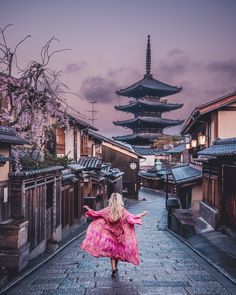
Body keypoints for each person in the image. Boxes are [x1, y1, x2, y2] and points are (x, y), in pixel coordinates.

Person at [81, 193, 149, 278]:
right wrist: (142, 214)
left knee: (112, 252)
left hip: (109, 235)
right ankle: (115, 267)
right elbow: (131, 218)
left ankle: (113, 267)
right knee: (117, 252)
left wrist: (88, 209)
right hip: (120, 235)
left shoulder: (106, 210)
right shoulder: (122, 211)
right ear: (119, 201)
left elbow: (95, 214)